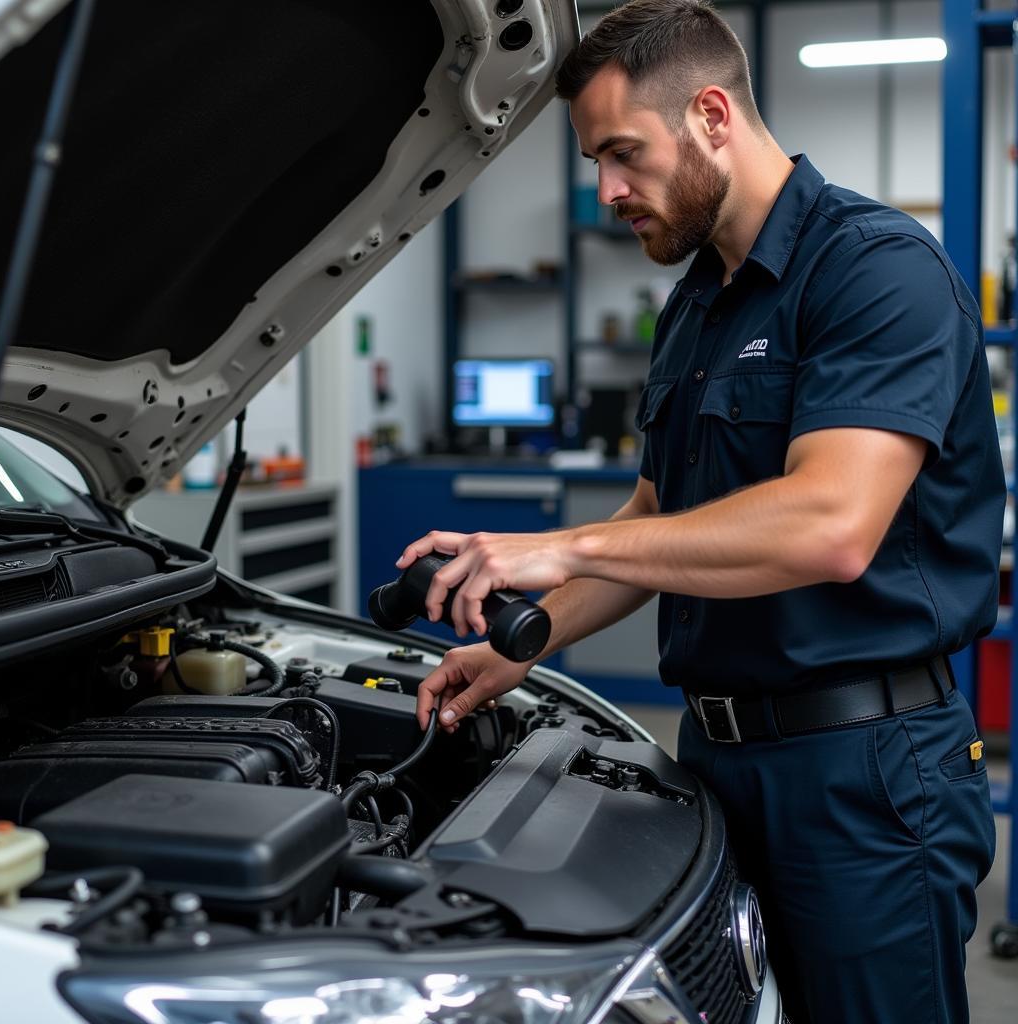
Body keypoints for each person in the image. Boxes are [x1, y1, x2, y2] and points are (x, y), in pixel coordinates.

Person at [398, 2, 1002, 1021]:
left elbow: (831, 523)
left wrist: (558, 543)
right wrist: (526, 642)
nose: (608, 191)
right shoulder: (700, 301)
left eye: (624, 154)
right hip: (718, 758)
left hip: (861, 772)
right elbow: (660, 515)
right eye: (595, 161)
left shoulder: (874, 270)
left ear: (712, 114)